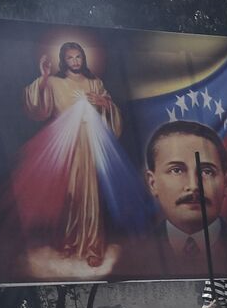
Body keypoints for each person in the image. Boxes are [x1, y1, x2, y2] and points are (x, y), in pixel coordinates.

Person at [11, 41, 151, 271]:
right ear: (63, 60)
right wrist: (44, 77)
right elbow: (36, 106)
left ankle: (92, 247)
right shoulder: (55, 82)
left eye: (78, 57)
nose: (75, 62)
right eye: (70, 58)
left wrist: (105, 103)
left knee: (91, 198)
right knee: (70, 196)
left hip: (91, 145)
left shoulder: (95, 83)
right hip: (66, 146)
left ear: (83, 58)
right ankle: (69, 243)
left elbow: (112, 117)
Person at [128, 121, 227, 279]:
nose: (193, 186)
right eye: (176, 170)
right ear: (152, 183)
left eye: (206, 172)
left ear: (226, 183)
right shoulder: (131, 259)